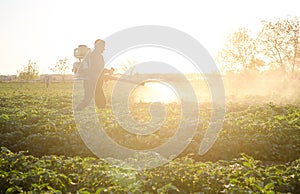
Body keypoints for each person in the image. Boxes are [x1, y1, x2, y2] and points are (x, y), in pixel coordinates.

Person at [75, 39, 106, 111]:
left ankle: (101, 110)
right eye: (103, 46)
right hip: (92, 80)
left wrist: (105, 72)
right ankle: (77, 110)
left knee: (100, 97)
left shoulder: (91, 55)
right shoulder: (96, 56)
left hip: (94, 80)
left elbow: (98, 68)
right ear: (98, 46)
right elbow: (97, 68)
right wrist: (104, 72)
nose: (104, 49)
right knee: (88, 98)